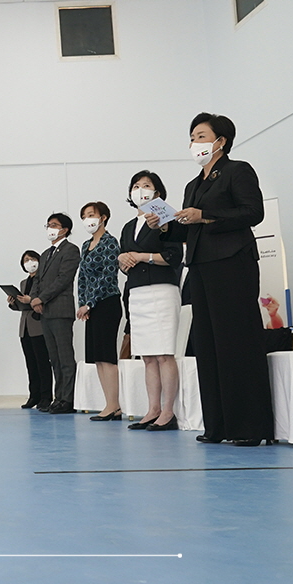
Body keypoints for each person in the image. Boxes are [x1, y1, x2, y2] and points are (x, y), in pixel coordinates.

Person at [149, 112, 274, 446]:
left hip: (233, 263)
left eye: (202, 136)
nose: (195, 142)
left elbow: (253, 212)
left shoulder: (237, 171)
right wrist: (164, 225)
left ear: (221, 140)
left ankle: (248, 427)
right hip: (201, 267)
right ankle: (218, 425)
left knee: (237, 342)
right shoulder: (193, 184)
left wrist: (206, 215)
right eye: (192, 136)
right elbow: (187, 227)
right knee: (208, 345)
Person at [119, 171, 183, 431]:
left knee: (164, 354)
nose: (140, 190)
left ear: (157, 193)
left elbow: (174, 256)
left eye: (147, 186)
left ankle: (168, 412)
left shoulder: (166, 220)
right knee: (147, 356)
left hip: (161, 290)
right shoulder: (127, 227)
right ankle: (152, 408)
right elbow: (125, 260)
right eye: (136, 186)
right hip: (137, 293)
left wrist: (142, 255)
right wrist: (123, 260)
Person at [77, 201, 123, 421]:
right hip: (91, 307)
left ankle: (114, 405)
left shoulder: (110, 243)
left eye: (91, 214)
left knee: (107, 356)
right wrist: (82, 304)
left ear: (103, 217)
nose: (88, 219)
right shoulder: (86, 245)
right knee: (97, 358)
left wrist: (91, 302)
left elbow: (108, 276)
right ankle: (108, 403)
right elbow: (82, 277)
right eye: (84, 216)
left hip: (107, 302)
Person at [30, 213, 81, 414]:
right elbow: (37, 280)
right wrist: (35, 299)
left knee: (65, 356)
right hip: (45, 312)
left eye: (54, 225)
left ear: (65, 229)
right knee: (54, 358)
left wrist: (41, 298)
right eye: (48, 225)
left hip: (60, 309)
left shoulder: (71, 250)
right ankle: (58, 397)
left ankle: (68, 399)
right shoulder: (45, 254)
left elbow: (63, 279)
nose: (50, 228)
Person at [8, 250, 52, 410]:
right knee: (31, 364)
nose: (29, 262)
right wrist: (13, 302)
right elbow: (22, 306)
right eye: (26, 260)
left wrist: (31, 299)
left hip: (39, 326)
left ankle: (46, 397)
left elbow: (43, 301)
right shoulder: (23, 283)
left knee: (43, 363)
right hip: (25, 327)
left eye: (32, 259)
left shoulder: (44, 281)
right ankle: (34, 395)